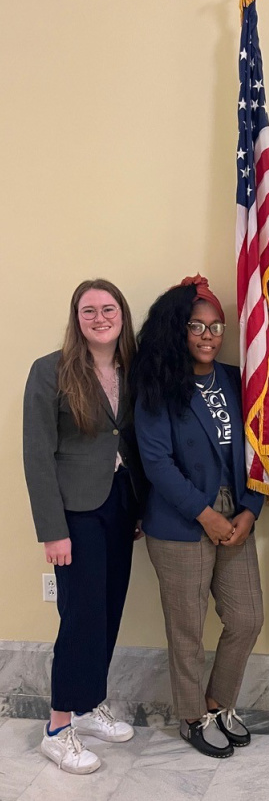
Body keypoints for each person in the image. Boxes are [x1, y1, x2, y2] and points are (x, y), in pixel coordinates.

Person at [130, 274, 264, 759]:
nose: (208, 337)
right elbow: (157, 463)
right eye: (197, 327)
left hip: (236, 514)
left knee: (248, 617)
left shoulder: (234, 379)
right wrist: (206, 515)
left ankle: (215, 702)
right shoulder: (158, 384)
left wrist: (250, 509)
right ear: (177, 330)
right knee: (186, 628)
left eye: (216, 327)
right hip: (182, 521)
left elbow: (258, 450)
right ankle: (191, 716)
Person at [23, 279, 144, 775]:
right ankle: (57, 728)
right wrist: (52, 530)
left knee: (110, 608)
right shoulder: (49, 371)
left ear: (122, 315)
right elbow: (37, 455)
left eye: (108, 308)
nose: (99, 317)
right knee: (80, 617)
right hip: (74, 512)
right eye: (88, 310)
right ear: (76, 318)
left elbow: (133, 438)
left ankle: (91, 705)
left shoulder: (131, 369)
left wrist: (137, 508)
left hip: (119, 506)